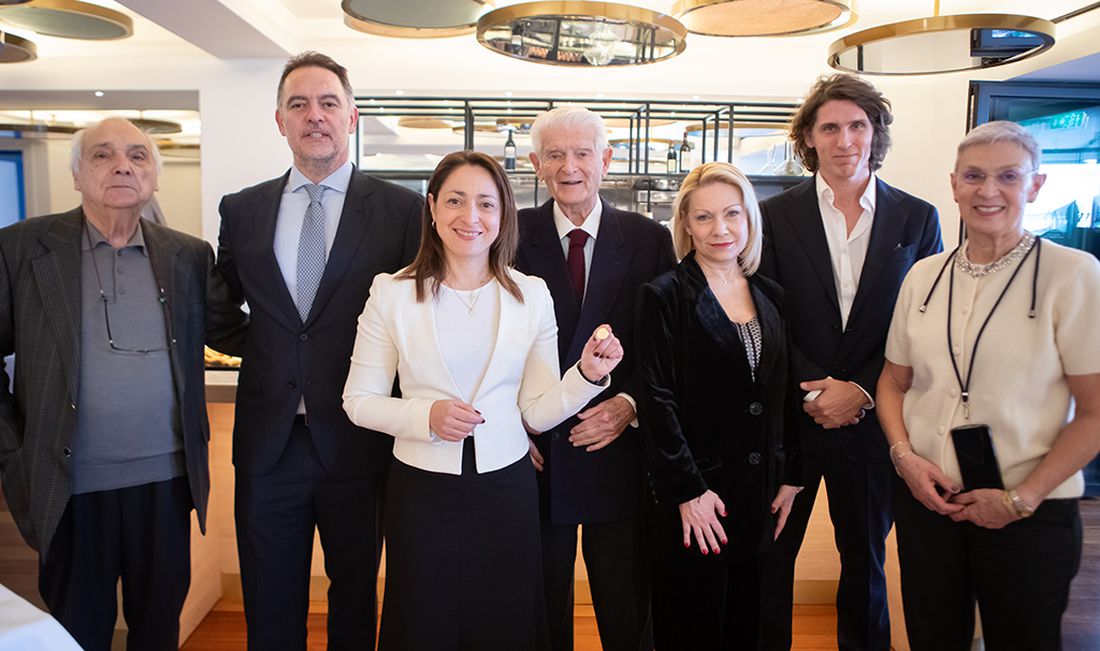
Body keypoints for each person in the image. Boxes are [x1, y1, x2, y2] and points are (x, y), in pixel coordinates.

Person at [342, 150, 622, 649]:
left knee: (503, 623)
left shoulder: (531, 295)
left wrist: (586, 375)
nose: (470, 216)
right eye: (455, 200)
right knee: (422, 622)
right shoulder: (391, 293)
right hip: (421, 490)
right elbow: (358, 400)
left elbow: (536, 411)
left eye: (486, 204)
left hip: (506, 489)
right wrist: (425, 415)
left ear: (503, 214)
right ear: (432, 207)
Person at [0, 117, 247, 650]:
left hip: (165, 485)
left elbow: (234, 333)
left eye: (138, 156)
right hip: (69, 486)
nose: (122, 166)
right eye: (103, 155)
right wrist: (11, 447)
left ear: (154, 176)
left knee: (157, 630)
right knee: (76, 633)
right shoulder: (22, 248)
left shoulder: (187, 255)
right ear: (76, 175)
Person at [216, 51, 422, 650]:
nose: (315, 115)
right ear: (279, 120)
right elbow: (217, 305)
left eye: (329, 103)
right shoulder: (243, 209)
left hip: (358, 441)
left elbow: (416, 319)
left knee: (355, 596)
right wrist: (267, 349)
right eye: (299, 104)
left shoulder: (402, 210)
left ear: (351, 116)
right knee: (268, 598)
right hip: (268, 445)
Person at [878, 121, 1100, 650]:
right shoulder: (924, 276)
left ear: (1036, 185)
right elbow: (892, 382)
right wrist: (905, 459)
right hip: (930, 502)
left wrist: (1020, 499)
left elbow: (1095, 411)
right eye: (974, 176)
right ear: (954, 185)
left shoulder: (1072, 275)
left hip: (1028, 511)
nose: (988, 191)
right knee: (932, 638)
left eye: (1008, 176)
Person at [758, 73, 942, 651]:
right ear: (809, 138)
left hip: (871, 421)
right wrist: (815, 391)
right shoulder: (771, 215)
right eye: (830, 127)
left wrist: (859, 390)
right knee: (770, 560)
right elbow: (765, 314)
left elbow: (920, 322)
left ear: (875, 133)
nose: (845, 140)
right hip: (790, 419)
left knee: (865, 565)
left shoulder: (917, 218)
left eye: (857, 126)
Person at [515, 105, 675, 651]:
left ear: (606, 160)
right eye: (555, 155)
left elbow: (665, 346)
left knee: (627, 611)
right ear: (536, 164)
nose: (570, 167)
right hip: (536, 453)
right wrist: (511, 426)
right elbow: (488, 344)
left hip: (619, 453)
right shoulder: (511, 234)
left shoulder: (649, 239)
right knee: (539, 614)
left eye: (582, 153)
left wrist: (629, 404)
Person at [636, 162, 801, 650]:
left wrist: (791, 474)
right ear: (686, 224)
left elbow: (782, 392)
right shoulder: (663, 296)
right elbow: (656, 400)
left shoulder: (771, 295)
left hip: (758, 497)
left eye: (732, 214)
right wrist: (689, 491)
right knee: (692, 627)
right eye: (704, 217)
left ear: (749, 218)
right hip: (696, 499)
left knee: (746, 629)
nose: (720, 229)